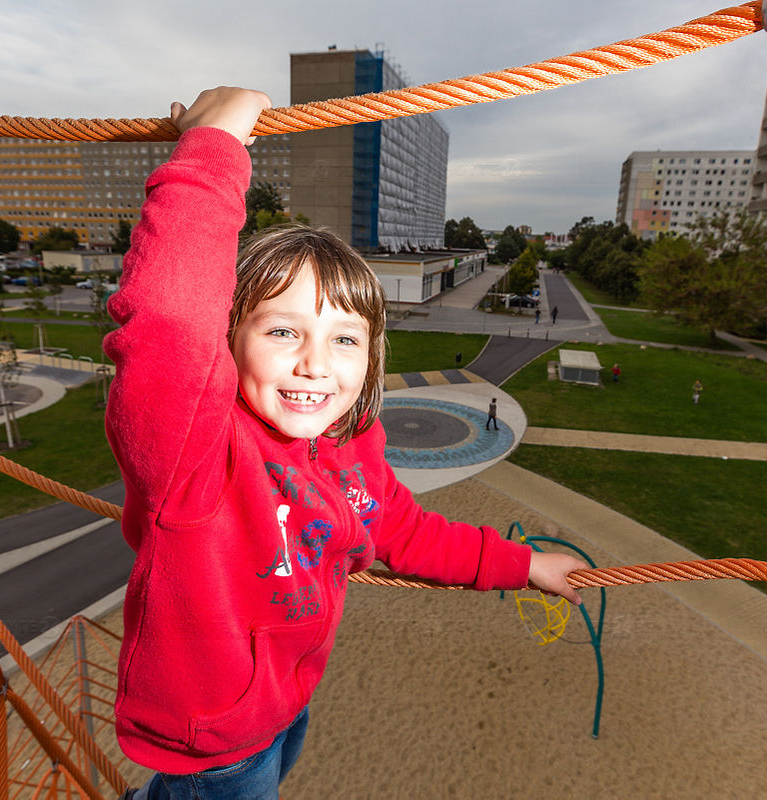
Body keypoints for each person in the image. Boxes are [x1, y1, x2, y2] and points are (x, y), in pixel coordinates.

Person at [103, 88, 586, 800]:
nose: (314, 364)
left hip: (286, 700)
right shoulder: (197, 455)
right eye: (281, 330)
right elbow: (167, 324)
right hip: (214, 738)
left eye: (343, 339)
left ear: (370, 359)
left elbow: (401, 528)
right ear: (228, 341)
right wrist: (215, 144)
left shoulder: (350, 445)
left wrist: (521, 564)